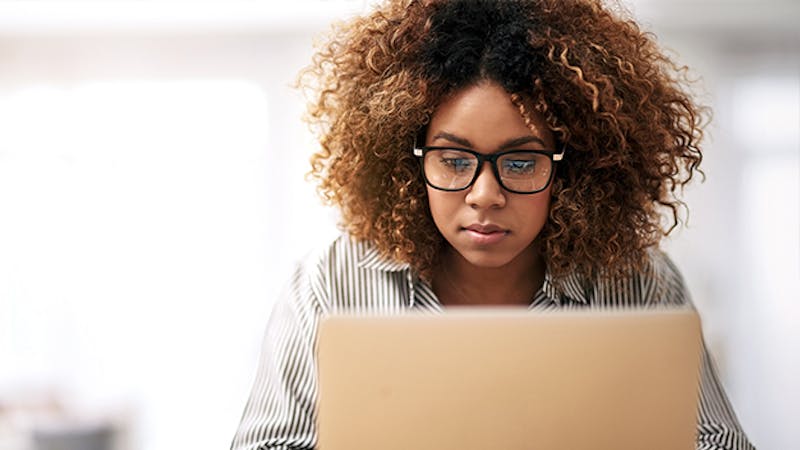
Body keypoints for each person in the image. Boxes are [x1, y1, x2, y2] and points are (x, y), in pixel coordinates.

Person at [231, 0, 756, 449]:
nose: (485, 195)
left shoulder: (638, 279)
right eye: (454, 160)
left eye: (522, 162)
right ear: (410, 161)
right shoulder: (332, 281)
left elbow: (715, 440)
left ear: (573, 168)